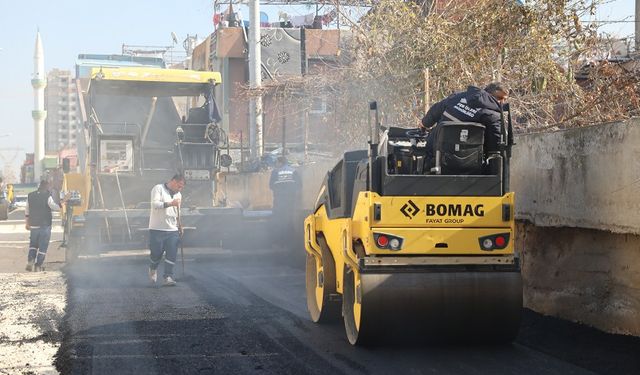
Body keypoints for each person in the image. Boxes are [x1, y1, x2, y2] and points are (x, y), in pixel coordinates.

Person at [421, 83, 509, 158]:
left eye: (504, 100)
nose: (502, 102)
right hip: (472, 163)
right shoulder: (493, 116)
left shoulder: (457, 97)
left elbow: (435, 111)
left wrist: (424, 124)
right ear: (488, 94)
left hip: (434, 153)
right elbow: (495, 146)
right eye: (499, 98)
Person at [148, 173, 185, 286]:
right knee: (156, 253)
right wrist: (170, 203)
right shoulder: (158, 188)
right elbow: (155, 204)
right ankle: (153, 269)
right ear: (173, 181)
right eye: (179, 186)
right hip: (157, 228)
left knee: (172, 253)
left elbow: (177, 212)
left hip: (172, 229)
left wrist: (180, 224)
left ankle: (168, 276)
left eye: (182, 187)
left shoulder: (178, 195)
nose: (180, 189)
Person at [25, 180, 67, 272]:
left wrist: (27, 223)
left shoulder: (30, 195)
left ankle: (30, 261)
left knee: (33, 245)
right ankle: (38, 265)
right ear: (47, 187)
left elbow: (27, 210)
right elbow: (54, 206)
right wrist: (62, 203)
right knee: (43, 246)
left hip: (34, 225)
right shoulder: (47, 196)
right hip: (45, 225)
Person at [269, 157, 301, 248]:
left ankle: (279, 243)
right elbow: (299, 185)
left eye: (277, 162)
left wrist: (279, 191)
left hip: (279, 201)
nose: (276, 164)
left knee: (278, 221)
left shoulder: (275, 172)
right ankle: (290, 243)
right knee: (289, 220)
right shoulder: (294, 171)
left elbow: (271, 186)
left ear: (280, 162)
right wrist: (291, 192)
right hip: (290, 201)